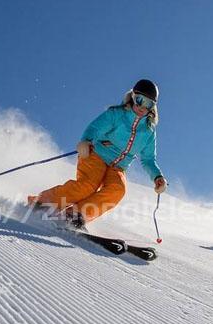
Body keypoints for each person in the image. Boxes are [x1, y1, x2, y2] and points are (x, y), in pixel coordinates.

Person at [28, 79, 167, 229]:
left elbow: (148, 159)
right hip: (96, 155)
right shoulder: (117, 114)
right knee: (88, 185)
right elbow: (95, 128)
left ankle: (76, 214)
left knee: (117, 190)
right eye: (140, 100)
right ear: (133, 96)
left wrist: (157, 177)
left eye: (149, 104)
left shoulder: (148, 131)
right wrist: (85, 141)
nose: (142, 107)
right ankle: (43, 202)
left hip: (117, 167)